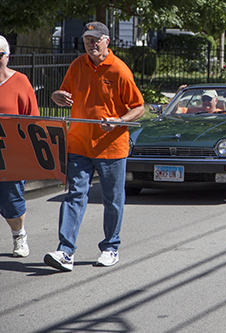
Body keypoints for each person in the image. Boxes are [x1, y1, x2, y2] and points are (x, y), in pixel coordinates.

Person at [45, 22, 145, 272]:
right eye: (87, 39)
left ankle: (111, 247)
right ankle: (65, 251)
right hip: (79, 143)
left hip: (111, 147)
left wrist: (119, 121)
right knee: (75, 195)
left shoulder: (119, 70)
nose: (91, 43)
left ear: (107, 41)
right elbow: (64, 95)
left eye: (96, 39)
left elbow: (139, 107)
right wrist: (57, 96)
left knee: (112, 199)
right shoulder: (78, 65)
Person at [0, 35, 39, 258]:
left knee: (11, 202)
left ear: (8, 56)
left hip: (11, 154)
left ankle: (19, 234)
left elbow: (32, 120)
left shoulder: (20, 81)